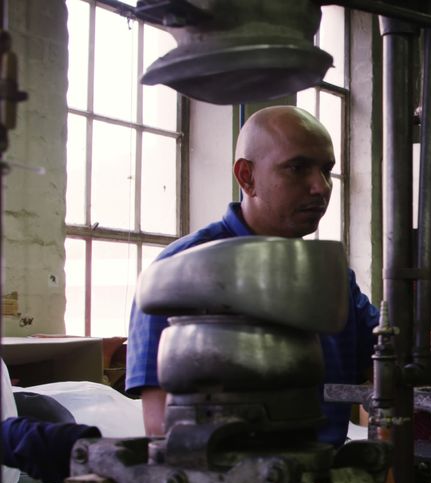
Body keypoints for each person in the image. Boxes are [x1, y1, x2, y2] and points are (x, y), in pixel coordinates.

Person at [126, 106, 379, 447]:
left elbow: (386, 359)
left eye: (326, 170)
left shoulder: (329, 278)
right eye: (297, 167)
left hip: (326, 480)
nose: (320, 187)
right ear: (246, 177)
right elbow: (163, 429)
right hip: (231, 482)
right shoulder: (177, 276)